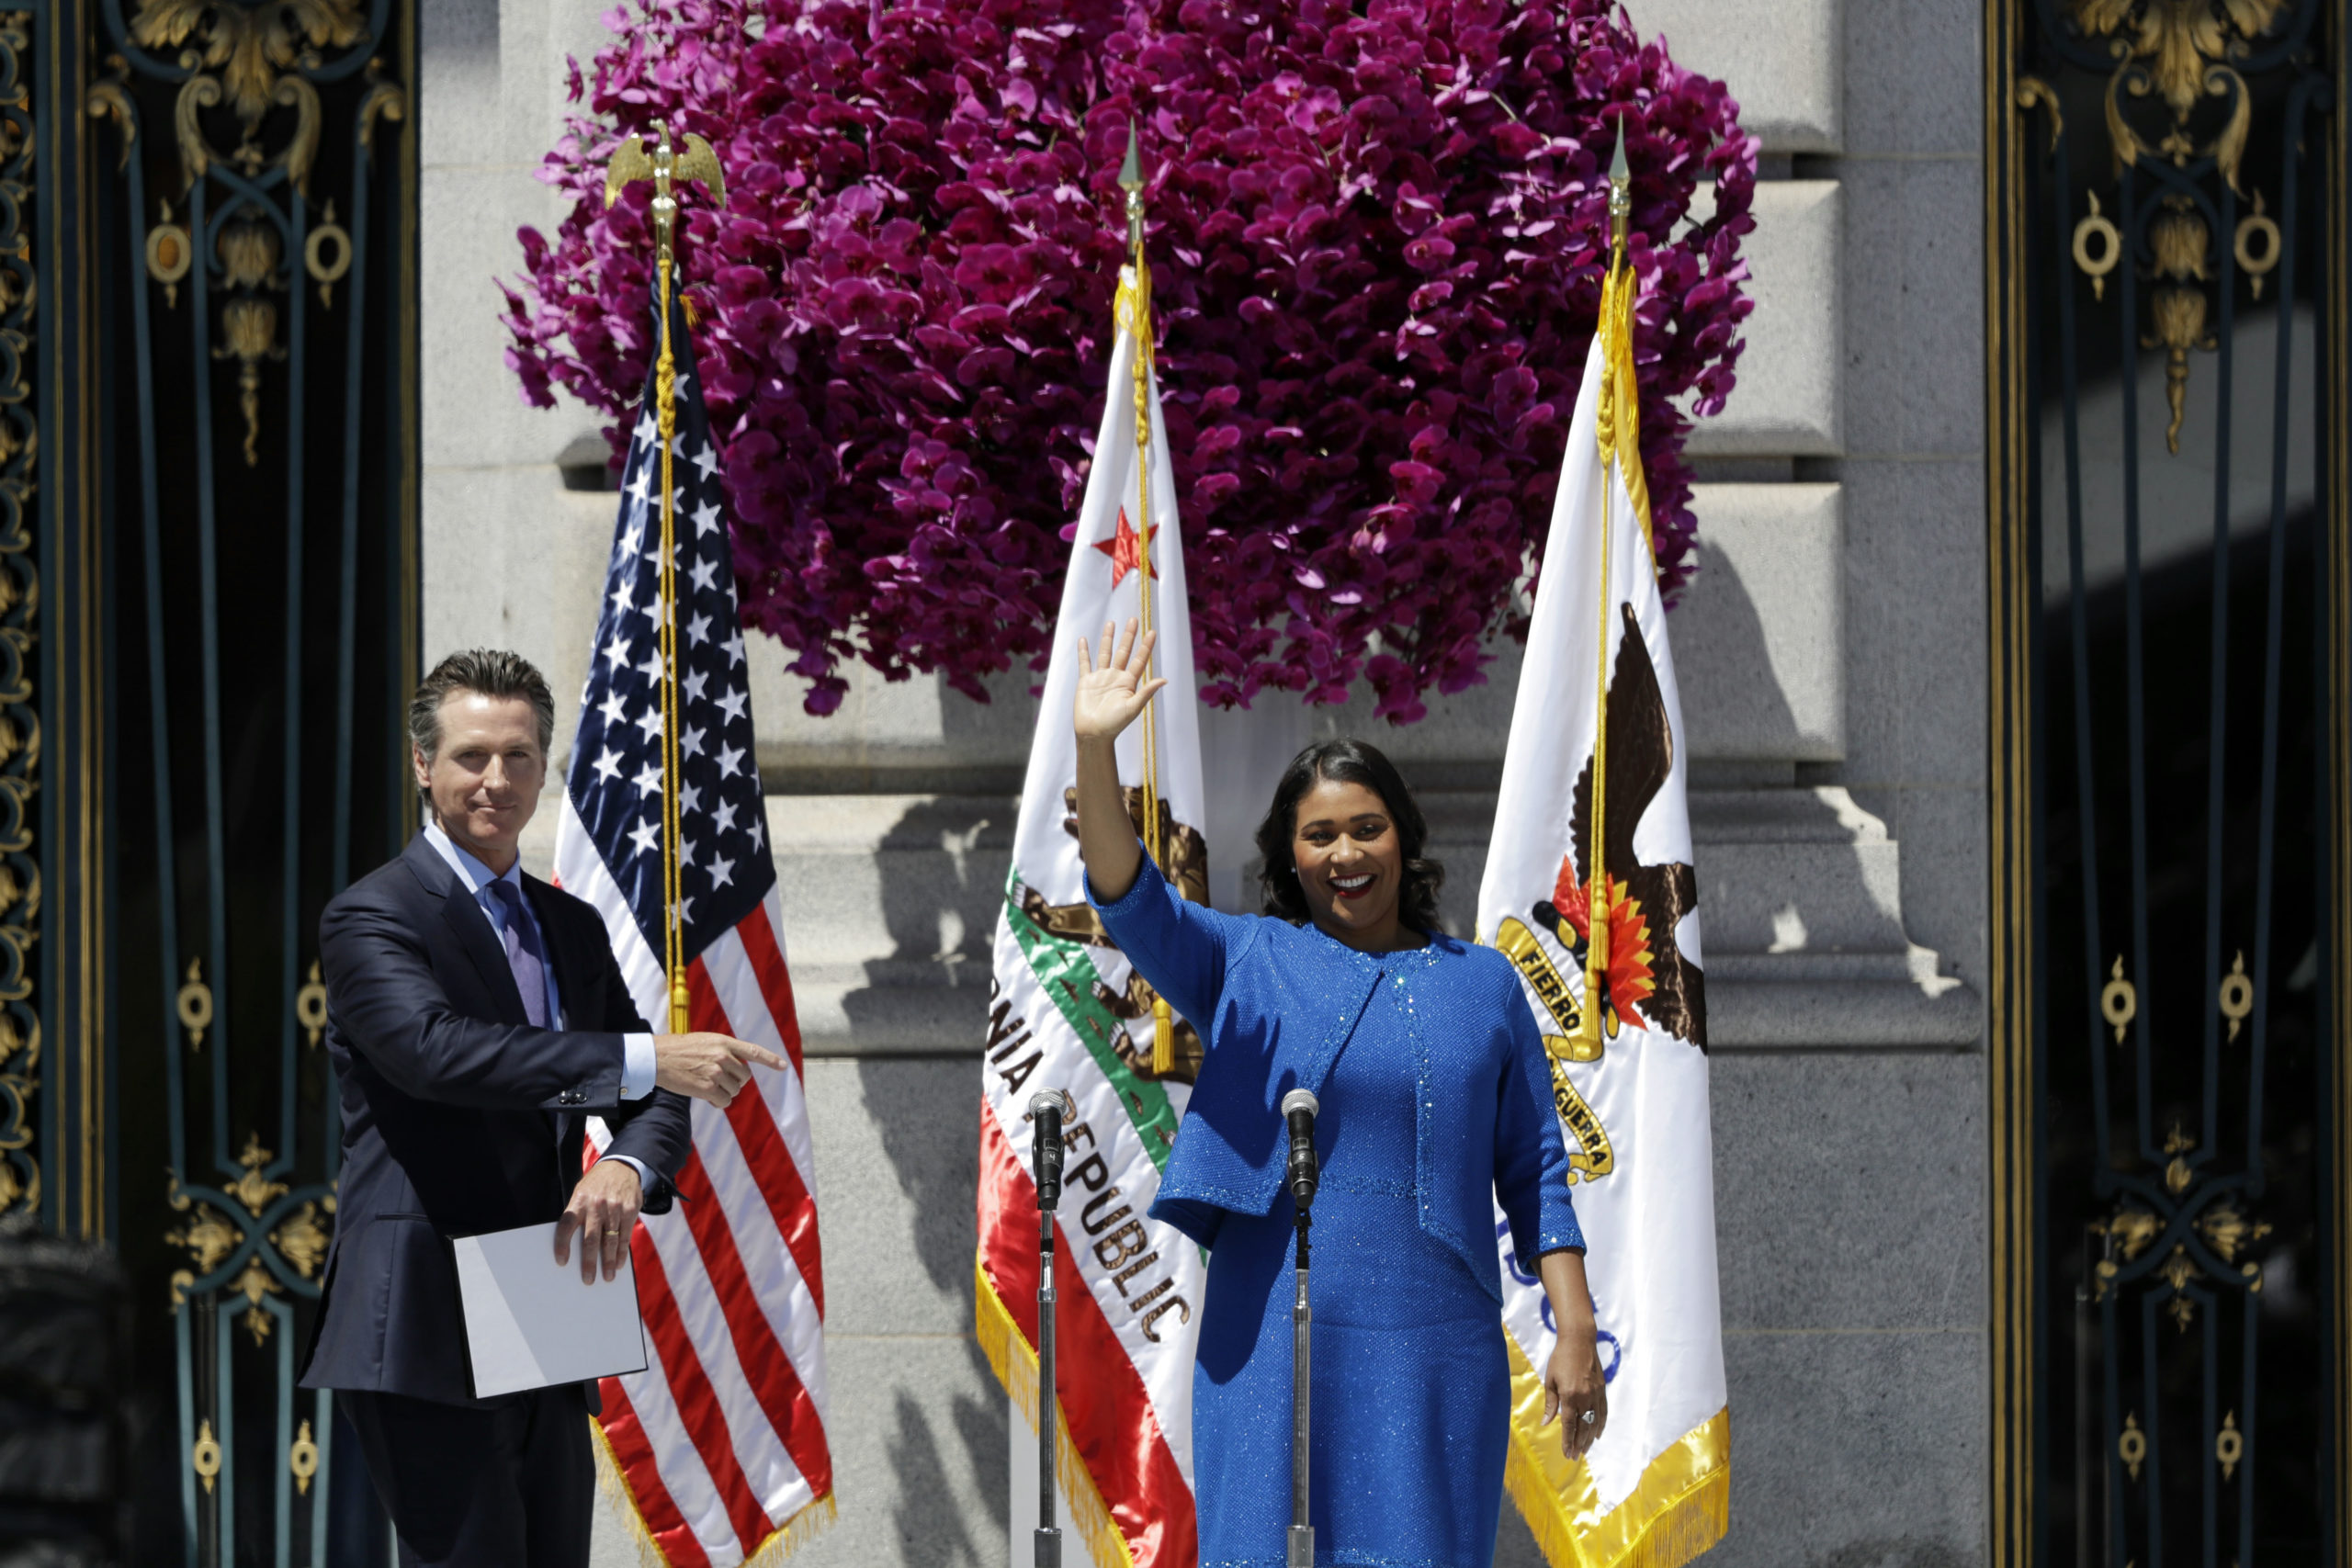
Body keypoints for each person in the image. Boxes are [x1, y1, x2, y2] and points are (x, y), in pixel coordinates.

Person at [1072, 620, 1606, 1566]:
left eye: (1366, 827)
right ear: (1290, 857)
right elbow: (1132, 899)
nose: (1345, 851)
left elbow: (1535, 1171)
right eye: (1318, 835)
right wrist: (1093, 747)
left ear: (1404, 838)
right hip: (1272, 1333)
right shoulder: (1247, 958)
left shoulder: (1483, 983)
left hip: (1437, 1341)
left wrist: (1576, 1326)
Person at [298, 649, 786, 1568]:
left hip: (550, 1291)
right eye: (472, 756)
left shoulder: (571, 926)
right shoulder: (373, 916)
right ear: (422, 764)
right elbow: (439, 1056)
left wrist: (625, 1163)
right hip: (427, 1307)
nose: (496, 779)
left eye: (518, 756)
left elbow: (644, 1092)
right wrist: (645, 1057)